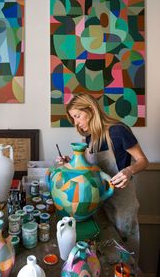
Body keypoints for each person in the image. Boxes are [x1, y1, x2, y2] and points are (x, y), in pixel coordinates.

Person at [61, 93, 149, 261]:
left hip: (122, 204)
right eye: (73, 119)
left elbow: (143, 161)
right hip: (100, 202)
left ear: (90, 109)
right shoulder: (89, 138)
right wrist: (70, 162)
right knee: (106, 253)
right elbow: (90, 168)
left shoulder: (118, 131)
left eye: (77, 116)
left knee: (125, 256)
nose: (76, 123)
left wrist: (129, 171)